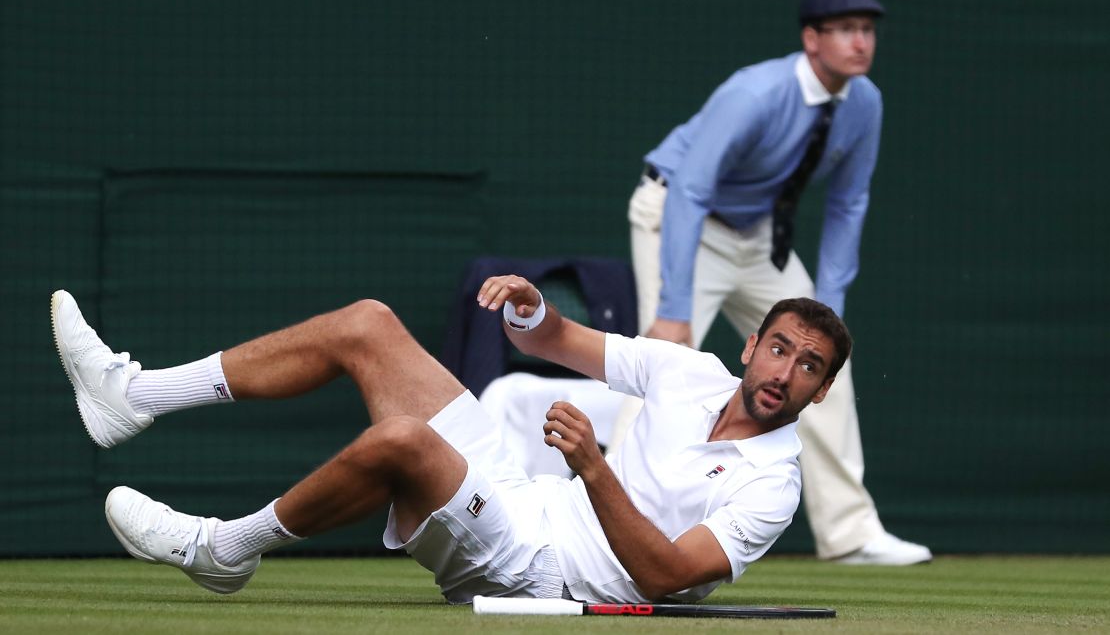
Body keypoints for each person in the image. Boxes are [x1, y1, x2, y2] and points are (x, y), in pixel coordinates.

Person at [51, 274, 851, 603]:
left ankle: (224, 548)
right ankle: (133, 396)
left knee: (407, 441)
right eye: (779, 347)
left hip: (539, 573)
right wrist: (533, 312)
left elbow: (670, 578)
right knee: (368, 324)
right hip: (520, 498)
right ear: (751, 347)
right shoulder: (692, 371)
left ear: (820, 389)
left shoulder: (774, 482)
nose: (786, 369)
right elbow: (556, 342)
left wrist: (594, 470)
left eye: (809, 365)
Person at [620, 0, 931, 565]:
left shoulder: (865, 102)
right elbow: (692, 188)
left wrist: (830, 310)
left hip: (758, 235)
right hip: (681, 216)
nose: (861, 43)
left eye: (867, 31)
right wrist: (676, 308)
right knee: (661, 358)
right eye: (844, 30)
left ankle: (850, 532)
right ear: (812, 40)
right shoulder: (754, 93)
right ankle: (613, 512)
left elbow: (848, 202)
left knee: (825, 361)